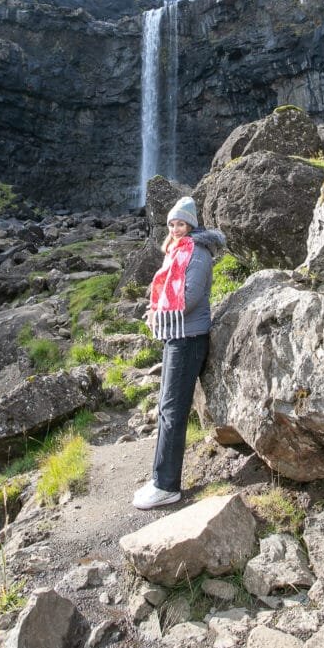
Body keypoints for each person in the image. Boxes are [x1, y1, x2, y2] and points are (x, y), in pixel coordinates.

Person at [132, 195, 226, 510]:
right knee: (166, 409)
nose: (175, 228)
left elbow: (190, 298)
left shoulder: (196, 253)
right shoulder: (178, 251)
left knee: (172, 412)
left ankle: (166, 486)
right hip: (177, 335)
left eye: (181, 223)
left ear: (191, 225)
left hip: (188, 338)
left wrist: (159, 312)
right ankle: (161, 478)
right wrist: (157, 309)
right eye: (172, 223)